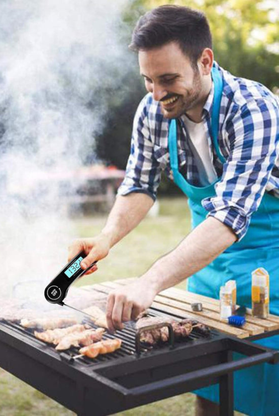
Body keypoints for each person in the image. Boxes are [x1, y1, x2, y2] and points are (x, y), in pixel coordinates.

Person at [68, 5, 279, 416]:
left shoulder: (254, 108)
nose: (157, 92)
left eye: (168, 79)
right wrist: (106, 237)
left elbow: (231, 215)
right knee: (210, 385)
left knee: (267, 388)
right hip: (206, 266)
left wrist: (151, 282)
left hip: (270, 263)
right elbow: (139, 185)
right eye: (148, 79)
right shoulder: (153, 109)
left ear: (205, 61)